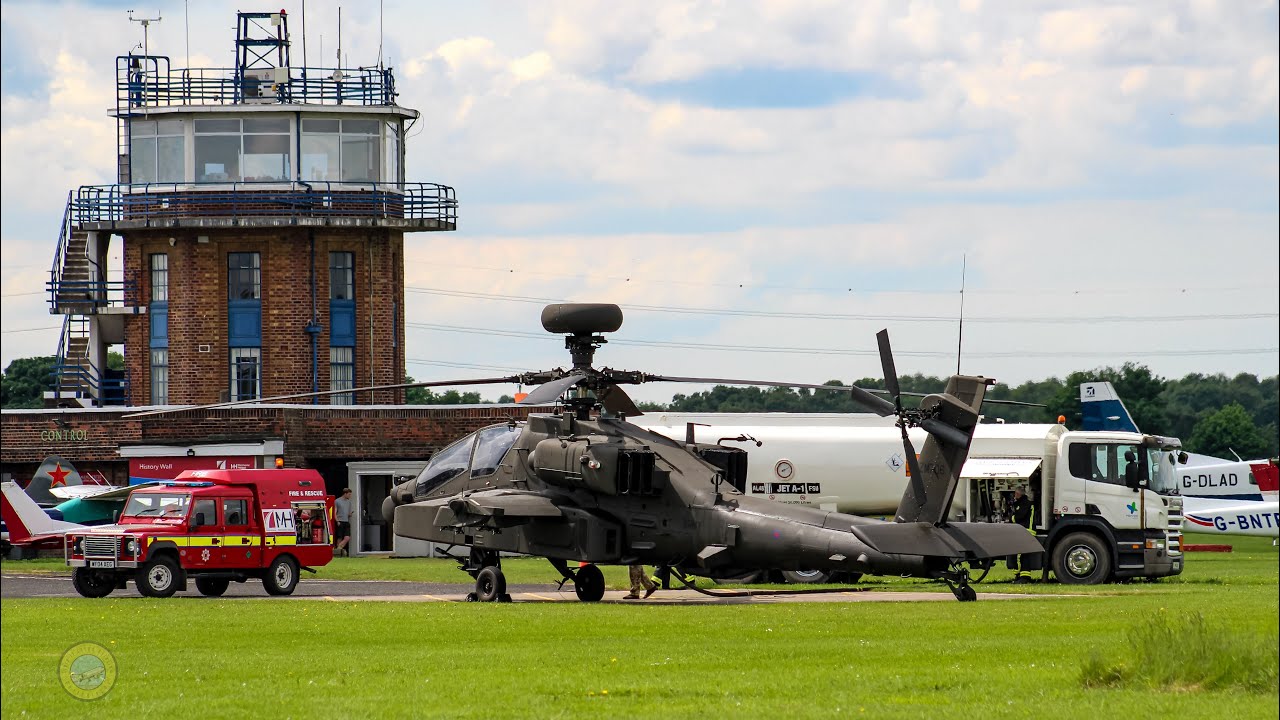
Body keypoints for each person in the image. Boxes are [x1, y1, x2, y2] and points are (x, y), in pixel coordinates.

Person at [1008, 487, 1036, 583]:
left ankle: (1023, 578)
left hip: (1026, 531)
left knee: (1020, 554)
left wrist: (1011, 518)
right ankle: (1019, 576)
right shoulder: (1023, 503)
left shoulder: (1025, 504)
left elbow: (1019, 516)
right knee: (1020, 554)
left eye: (1015, 494)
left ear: (1019, 494)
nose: (1014, 496)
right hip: (1024, 531)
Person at [334, 488, 352, 557]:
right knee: (339, 537)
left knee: (347, 537)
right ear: (345, 494)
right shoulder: (337, 501)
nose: (350, 496)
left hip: (346, 521)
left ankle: (338, 549)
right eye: (349, 494)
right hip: (340, 521)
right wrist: (337, 521)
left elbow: (348, 513)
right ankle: (338, 553)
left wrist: (350, 514)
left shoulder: (349, 502)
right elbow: (335, 512)